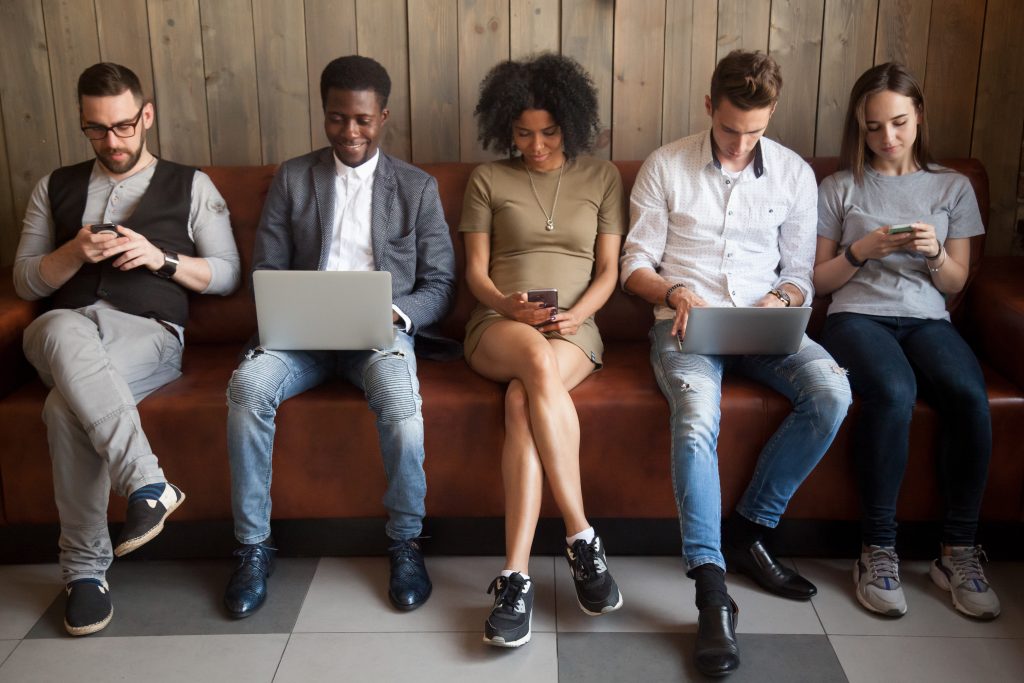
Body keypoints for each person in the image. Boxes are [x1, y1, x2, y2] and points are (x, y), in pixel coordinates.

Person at [620, 50, 852, 676]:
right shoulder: (665, 166)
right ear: (708, 108)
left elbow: (801, 274)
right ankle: (711, 589)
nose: (740, 144)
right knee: (696, 417)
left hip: (766, 324)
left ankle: (752, 527)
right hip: (686, 325)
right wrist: (672, 291)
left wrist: (781, 298)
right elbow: (633, 264)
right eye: (729, 130)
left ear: (772, 113)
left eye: (755, 131)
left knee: (833, 391)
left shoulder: (795, 175)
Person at [223, 55, 456, 619]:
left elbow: (441, 284)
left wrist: (396, 316)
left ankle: (405, 541)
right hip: (300, 337)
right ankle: (253, 546)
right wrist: (285, 310)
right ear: (323, 115)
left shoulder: (416, 188)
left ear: (383, 116)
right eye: (335, 119)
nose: (349, 133)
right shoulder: (295, 177)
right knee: (247, 388)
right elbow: (268, 269)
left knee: (402, 402)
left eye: (362, 120)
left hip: (379, 333)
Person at [13, 62, 241, 636]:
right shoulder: (54, 187)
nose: (111, 142)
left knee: (64, 407)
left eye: (122, 127)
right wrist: (72, 255)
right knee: (61, 328)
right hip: (62, 328)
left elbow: (228, 274)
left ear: (146, 116)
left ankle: (85, 572)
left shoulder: (191, 184)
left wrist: (161, 259)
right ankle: (146, 484)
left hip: (147, 333)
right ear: (83, 124)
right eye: (96, 129)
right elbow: (24, 282)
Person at [813, 63, 1000, 621]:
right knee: (893, 393)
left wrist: (935, 253)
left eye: (898, 122)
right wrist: (859, 252)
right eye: (873, 127)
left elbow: (957, 282)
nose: (887, 138)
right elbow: (816, 281)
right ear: (858, 127)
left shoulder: (952, 186)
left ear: (918, 114)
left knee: (969, 395)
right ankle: (878, 549)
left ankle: (957, 552)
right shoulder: (840, 186)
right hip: (856, 318)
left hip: (927, 319)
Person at [460, 53, 625, 648]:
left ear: (570, 126)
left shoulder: (602, 176)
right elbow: (476, 275)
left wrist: (580, 314)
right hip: (501, 324)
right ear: (506, 126)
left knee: (518, 403)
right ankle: (582, 536)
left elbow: (608, 271)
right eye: (523, 133)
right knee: (529, 361)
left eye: (549, 132)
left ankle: (516, 576)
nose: (535, 145)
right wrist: (508, 307)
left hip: (576, 329)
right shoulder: (488, 179)